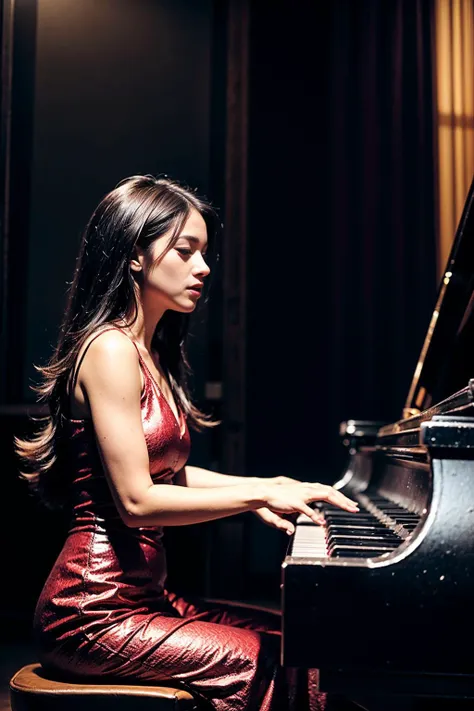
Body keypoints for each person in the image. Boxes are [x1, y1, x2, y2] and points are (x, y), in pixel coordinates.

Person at [14, 174, 360, 711]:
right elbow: (137, 502)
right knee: (272, 663)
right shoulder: (108, 349)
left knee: (299, 639)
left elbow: (168, 474)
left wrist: (275, 484)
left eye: (206, 252)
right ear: (134, 255)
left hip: (142, 597)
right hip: (91, 609)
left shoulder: (148, 350)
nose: (204, 267)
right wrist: (258, 496)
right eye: (186, 250)